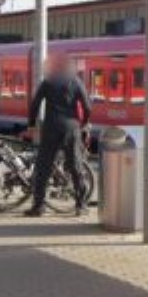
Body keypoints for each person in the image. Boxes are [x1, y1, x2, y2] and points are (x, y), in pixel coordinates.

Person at [24, 54, 90, 217]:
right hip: (71, 128)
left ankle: (39, 206)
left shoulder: (48, 82)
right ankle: (81, 205)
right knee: (75, 165)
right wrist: (83, 124)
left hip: (51, 127)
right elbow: (87, 106)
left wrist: (31, 124)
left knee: (43, 166)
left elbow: (35, 104)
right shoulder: (76, 81)